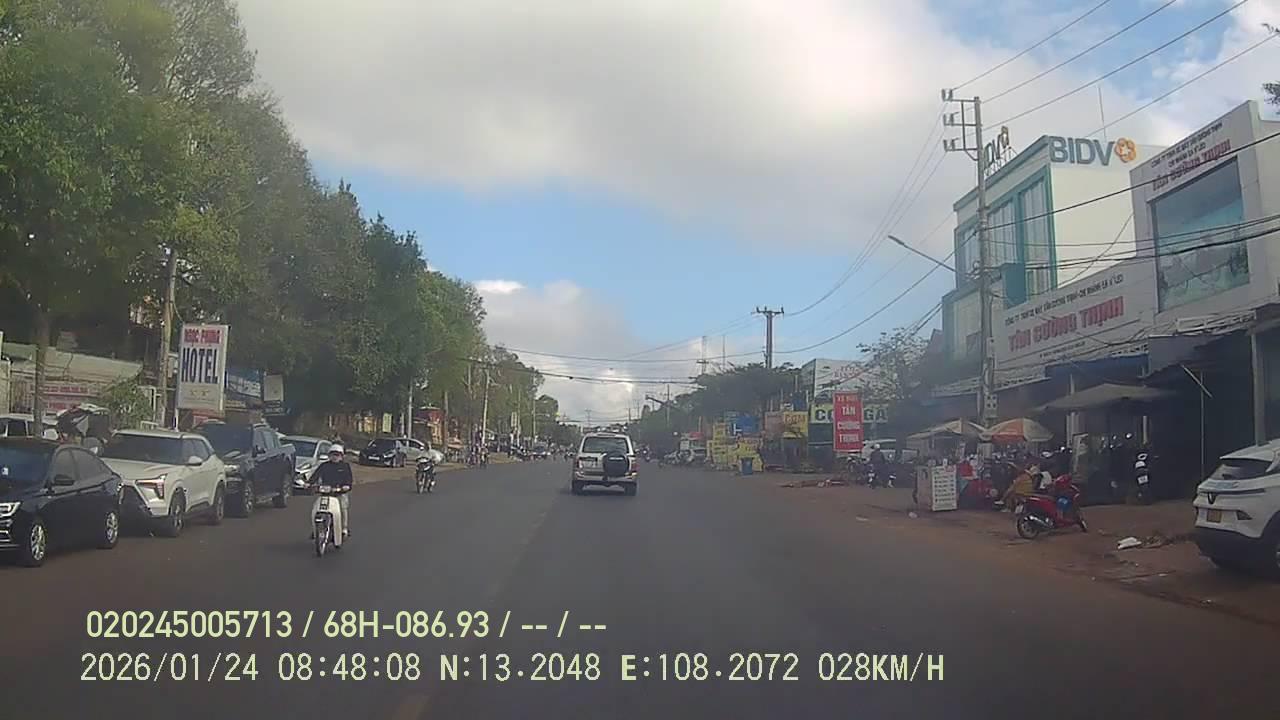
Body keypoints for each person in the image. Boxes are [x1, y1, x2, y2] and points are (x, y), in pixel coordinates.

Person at [311, 443, 354, 537]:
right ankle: (316, 529)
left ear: (341, 456)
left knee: (342, 508)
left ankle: (344, 528)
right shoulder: (324, 465)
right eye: (333, 454)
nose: (335, 457)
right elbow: (315, 475)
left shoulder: (345, 466)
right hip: (325, 492)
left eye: (337, 455)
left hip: (339, 493)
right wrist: (309, 483)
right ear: (329, 455)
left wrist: (347, 486)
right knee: (316, 509)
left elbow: (349, 479)